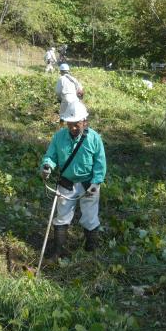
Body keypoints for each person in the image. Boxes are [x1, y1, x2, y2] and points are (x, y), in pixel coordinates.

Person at [39, 101, 106, 258]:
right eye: (70, 124)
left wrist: (96, 182)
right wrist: (47, 166)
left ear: (85, 121)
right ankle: (58, 251)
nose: (73, 128)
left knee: (90, 218)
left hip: (89, 184)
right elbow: (50, 156)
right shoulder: (59, 137)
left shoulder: (94, 139)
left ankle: (91, 252)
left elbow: (100, 163)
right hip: (66, 183)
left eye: (77, 124)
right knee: (62, 217)